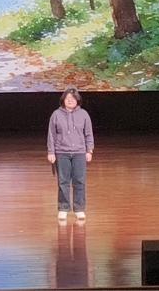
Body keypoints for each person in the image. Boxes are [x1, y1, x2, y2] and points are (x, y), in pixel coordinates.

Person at [47, 87, 94, 221]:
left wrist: (89, 150)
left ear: (77, 100)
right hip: (62, 152)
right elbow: (51, 135)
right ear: (63, 100)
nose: (70, 101)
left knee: (79, 181)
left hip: (79, 152)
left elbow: (88, 134)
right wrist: (51, 152)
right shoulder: (56, 114)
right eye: (67, 98)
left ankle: (79, 209)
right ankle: (63, 208)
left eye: (73, 99)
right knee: (63, 182)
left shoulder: (84, 114)